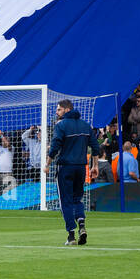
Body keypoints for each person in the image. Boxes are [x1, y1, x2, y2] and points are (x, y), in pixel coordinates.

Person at [47, 98, 99, 247]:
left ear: (67, 110)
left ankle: (71, 236)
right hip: (81, 168)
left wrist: (47, 163)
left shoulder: (61, 125)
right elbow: (95, 147)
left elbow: (55, 146)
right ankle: (81, 225)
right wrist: (95, 165)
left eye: (58, 109)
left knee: (66, 201)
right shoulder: (85, 125)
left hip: (66, 167)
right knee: (77, 199)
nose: (56, 112)